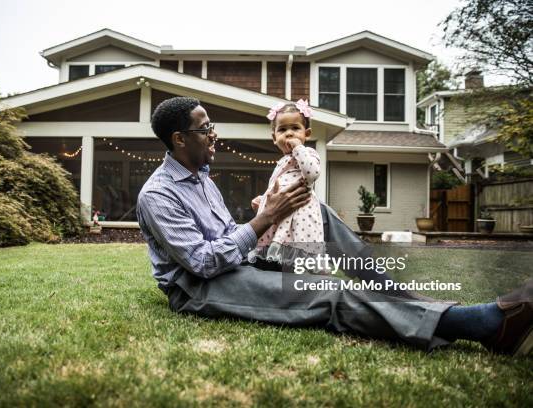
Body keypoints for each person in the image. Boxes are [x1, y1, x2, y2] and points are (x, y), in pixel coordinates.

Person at [136, 96, 532, 356]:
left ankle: (417, 304)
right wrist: (263, 219)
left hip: (236, 263)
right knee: (326, 291)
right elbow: (202, 263)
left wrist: (271, 215)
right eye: (205, 129)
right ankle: (484, 325)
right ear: (179, 139)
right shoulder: (157, 195)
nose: (213, 133)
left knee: (316, 211)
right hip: (199, 288)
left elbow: (225, 239)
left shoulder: (202, 178)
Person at [248, 99, 324, 271]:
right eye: (282, 129)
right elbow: (280, 186)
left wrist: (299, 149)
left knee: (299, 245)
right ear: (274, 138)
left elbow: (312, 174)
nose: (289, 134)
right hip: (284, 212)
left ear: (307, 133)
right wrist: (264, 200)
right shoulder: (282, 161)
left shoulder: (308, 153)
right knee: (280, 251)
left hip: (300, 212)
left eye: (295, 128)